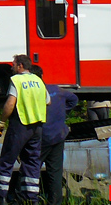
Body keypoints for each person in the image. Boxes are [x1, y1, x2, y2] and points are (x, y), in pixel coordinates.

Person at [0, 54, 49, 205]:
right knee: (32, 162)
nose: (12, 67)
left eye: (13, 64)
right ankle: (31, 198)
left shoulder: (16, 80)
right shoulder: (38, 80)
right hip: (37, 127)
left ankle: (0, 198)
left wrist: (2, 122)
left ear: (20, 66)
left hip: (20, 125)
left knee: (7, 161)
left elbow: (10, 104)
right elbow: (48, 102)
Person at [32, 65, 78, 205]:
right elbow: (74, 99)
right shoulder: (57, 90)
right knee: (55, 173)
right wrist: (63, 111)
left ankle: (27, 200)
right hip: (58, 136)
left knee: (30, 171)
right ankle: (55, 202)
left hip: (42, 138)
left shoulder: (33, 94)